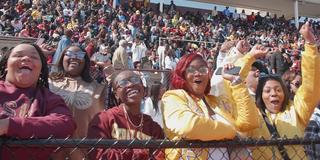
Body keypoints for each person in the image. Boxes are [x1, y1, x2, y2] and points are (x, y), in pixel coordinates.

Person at [161, 52, 260, 160]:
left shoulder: (217, 102)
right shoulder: (173, 97)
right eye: (191, 69)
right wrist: (231, 132)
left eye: (203, 69)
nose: (198, 73)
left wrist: (236, 82)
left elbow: (249, 123)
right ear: (182, 74)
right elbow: (189, 126)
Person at [247, 22, 320, 160]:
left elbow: (311, 86)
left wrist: (310, 44)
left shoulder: (297, 110)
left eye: (278, 89)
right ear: (260, 95)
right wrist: (248, 57)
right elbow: (232, 84)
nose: (273, 93)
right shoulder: (252, 116)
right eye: (267, 91)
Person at [0, 43, 75, 159]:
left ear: (41, 69)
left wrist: (8, 125)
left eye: (34, 57)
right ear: (6, 65)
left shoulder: (50, 98)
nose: (26, 58)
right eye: (18, 55)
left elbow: (65, 124)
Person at [87, 70, 164, 160]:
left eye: (135, 80)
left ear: (143, 89)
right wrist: (140, 152)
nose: (131, 84)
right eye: (123, 83)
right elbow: (98, 154)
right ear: (116, 94)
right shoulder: (103, 119)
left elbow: (159, 156)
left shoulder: (153, 128)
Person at [49, 45, 106, 159]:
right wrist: (41, 54)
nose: (74, 58)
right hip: (50, 149)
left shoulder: (99, 87)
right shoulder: (48, 82)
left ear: (86, 61)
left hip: (84, 151)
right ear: (61, 58)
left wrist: (110, 72)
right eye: (69, 54)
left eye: (79, 55)